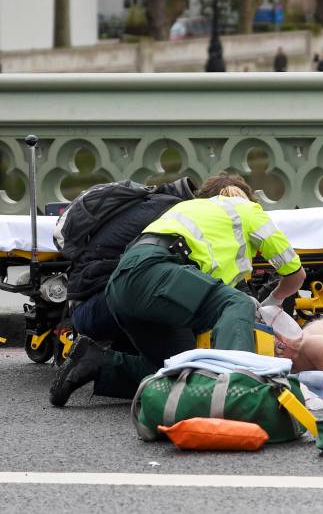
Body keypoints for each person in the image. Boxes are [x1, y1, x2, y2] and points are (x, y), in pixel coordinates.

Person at [49, 174, 306, 407]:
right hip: (152, 272)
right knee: (238, 304)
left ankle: (97, 362)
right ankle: (238, 390)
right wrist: (272, 303)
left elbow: (208, 296)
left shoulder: (183, 207)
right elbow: (296, 275)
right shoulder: (247, 209)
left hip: (120, 286)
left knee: (183, 368)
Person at [68, 177, 198, 350]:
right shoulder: (173, 216)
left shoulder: (156, 202)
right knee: (182, 351)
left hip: (89, 303)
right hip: (98, 306)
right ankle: (100, 361)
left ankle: (105, 363)